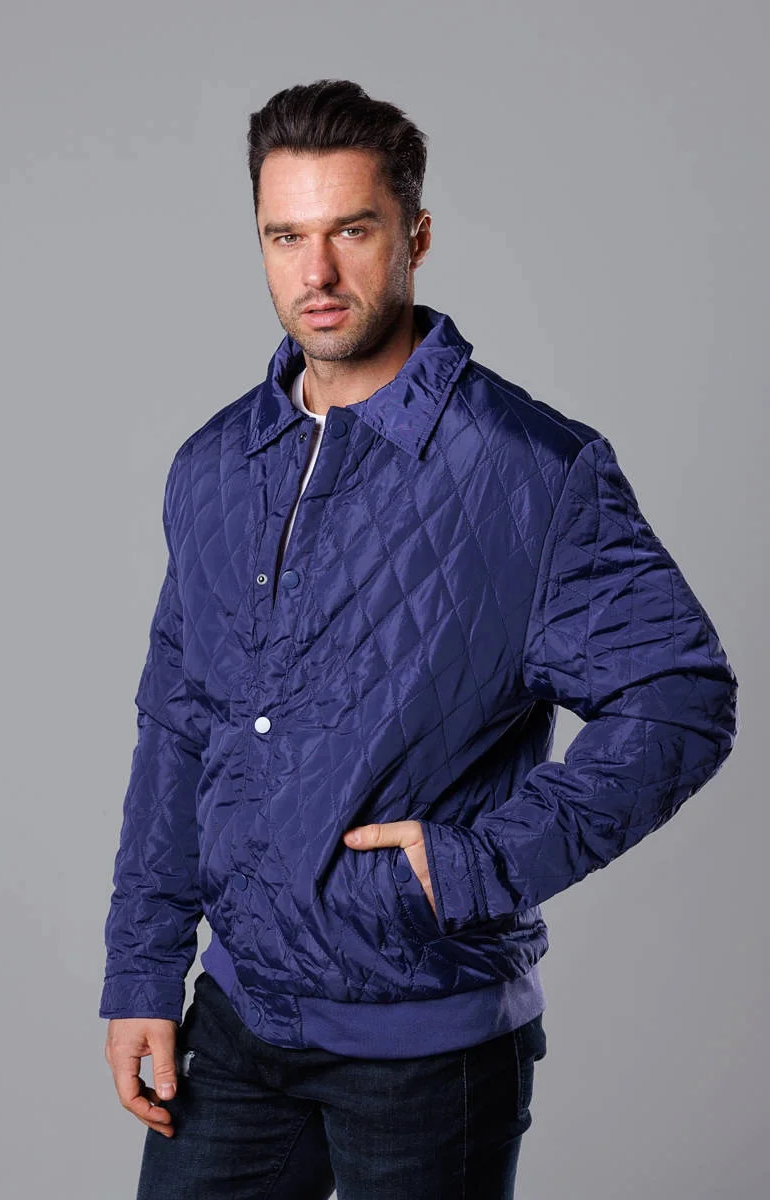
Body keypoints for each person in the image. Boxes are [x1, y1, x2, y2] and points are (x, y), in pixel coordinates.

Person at [100, 78, 739, 1199]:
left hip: (427, 1041)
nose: (317, 272)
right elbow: (179, 722)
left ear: (416, 237)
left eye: (351, 230)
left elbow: (679, 695)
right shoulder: (213, 466)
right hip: (239, 1020)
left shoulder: (534, 472)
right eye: (285, 236)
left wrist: (478, 864)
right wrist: (143, 969)